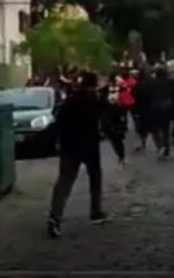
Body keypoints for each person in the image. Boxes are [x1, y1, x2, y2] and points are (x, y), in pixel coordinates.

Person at [47, 71, 109, 238]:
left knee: (64, 181)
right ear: (94, 84)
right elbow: (103, 116)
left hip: (70, 146)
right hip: (89, 145)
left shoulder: (71, 100)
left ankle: (55, 216)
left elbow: (59, 122)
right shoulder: (93, 100)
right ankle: (95, 211)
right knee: (95, 178)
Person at [139, 67, 174, 160]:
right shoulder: (171, 82)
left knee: (154, 128)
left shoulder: (151, 83)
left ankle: (159, 146)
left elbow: (147, 95)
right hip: (167, 107)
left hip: (155, 107)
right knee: (166, 129)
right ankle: (166, 147)